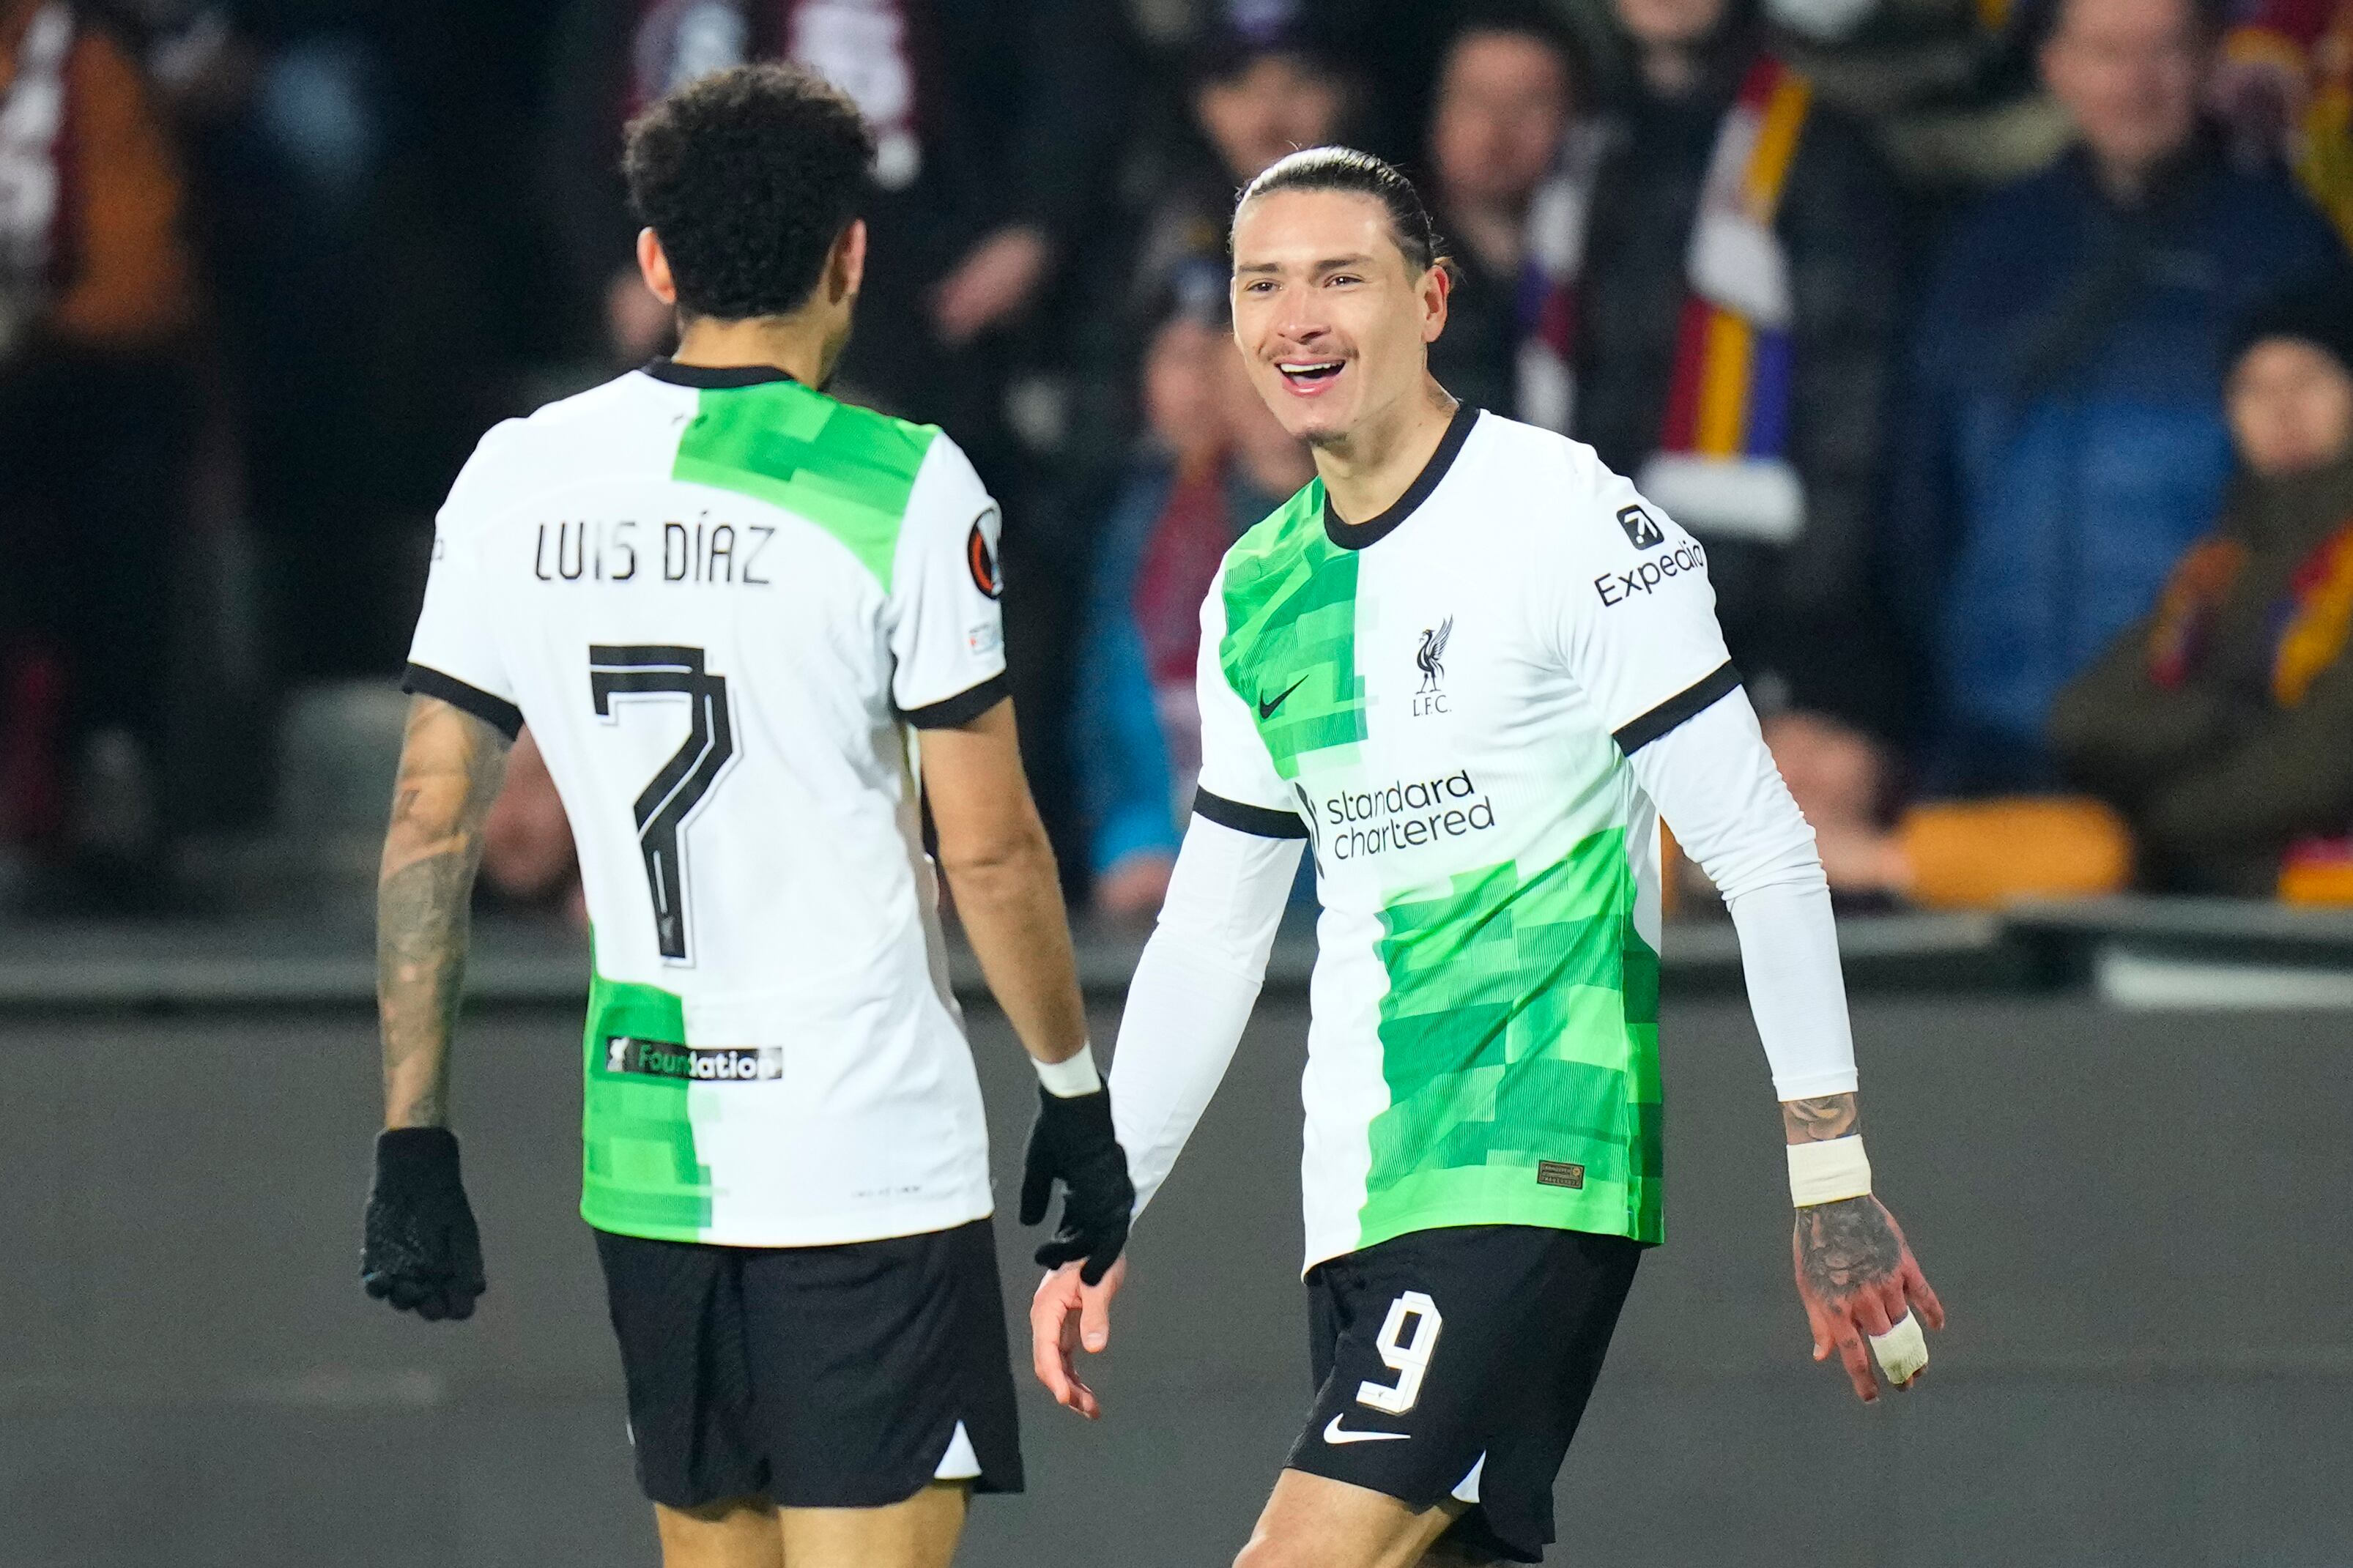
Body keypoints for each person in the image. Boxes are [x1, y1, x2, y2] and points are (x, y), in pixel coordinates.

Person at [1031, 147, 1944, 1568]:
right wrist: (1109, 1197)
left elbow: (1761, 847)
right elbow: (1215, 928)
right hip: (1357, 1184)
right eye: (1261, 286)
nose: (1296, 320)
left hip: (1530, 1150)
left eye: (1342, 277)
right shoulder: (1255, 589)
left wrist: (1829, 1170)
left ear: (1433, 298)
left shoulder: (1566, 517)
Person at [357, 65, 1133, 1568]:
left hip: (651, 1144)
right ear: (853, 251)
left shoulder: (517, 477)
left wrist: (414, 1138)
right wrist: (1074, 1093)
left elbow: (428, 826)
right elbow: (988, 845)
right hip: (858, 1145)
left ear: (654, 264)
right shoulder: (904, 485)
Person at [1889, 0, 2345, 792]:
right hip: (1982, 734)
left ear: (2209, 60)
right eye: (2103, 53)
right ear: (2051, 66)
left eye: (2162, 52)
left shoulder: (2287, 249)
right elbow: (1914, 495)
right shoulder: (1980, 248)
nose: (2132, 84)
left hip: (2186, 746)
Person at [1523, 0, 1909, 742]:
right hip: (1595, 629)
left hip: (1756, 633)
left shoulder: (1821, 150)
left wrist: (1807, 650)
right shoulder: (1587, 148)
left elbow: (1853, 416)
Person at [2051, 274, 2353, 893]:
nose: (2282, 410)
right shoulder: (2220, 560)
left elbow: (2324, 763)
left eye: (2308, 381)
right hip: (2215, 889)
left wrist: (2155, 821)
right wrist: (2223, 718)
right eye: (2253, 388)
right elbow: (2082, 719)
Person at [0, 0, 198, 907]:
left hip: (63, 383)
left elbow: (144, 282)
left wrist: (33, 330)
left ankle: (106, 767)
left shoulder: (89, 65)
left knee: (116, 464)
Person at [1070, 278, 1313, 920]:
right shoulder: (1155, 526)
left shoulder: (1401, 519)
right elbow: (1110, 704)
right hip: (1187, 880)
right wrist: (1133, 836)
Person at [1422, 11, 1576, 421]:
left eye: (1529, 105)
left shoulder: (1610, 272)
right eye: (1476, 101)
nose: (1497, 131)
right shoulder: (1387, 271)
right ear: (1437, 117)